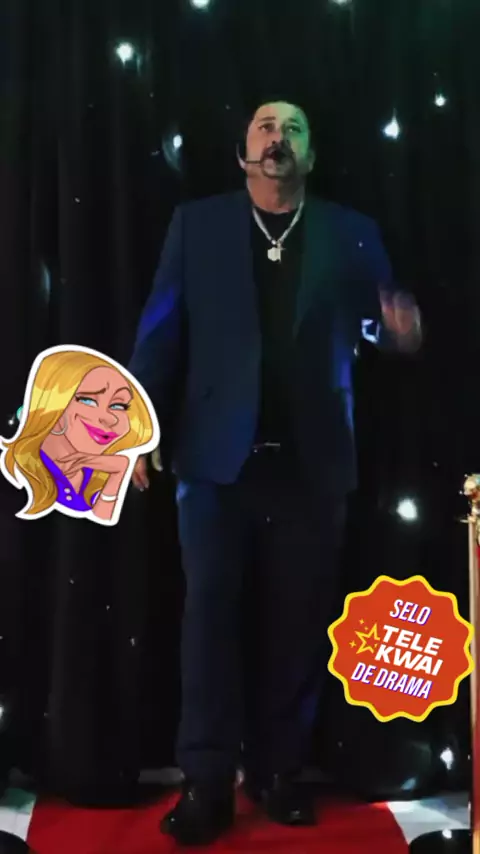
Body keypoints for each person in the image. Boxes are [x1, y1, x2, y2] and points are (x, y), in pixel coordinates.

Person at [128, 98, 422, 845]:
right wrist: (135, 430)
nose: (277, 137)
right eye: (265, 126)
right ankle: (206, 782)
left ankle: (280, 772)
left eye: (293, 128)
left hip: (312, 466)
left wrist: (398, 332)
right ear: (243, 153)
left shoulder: (352, 232)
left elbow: (380, 325)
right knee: (208, 626)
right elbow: (160, 332)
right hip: (213, 465)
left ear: (310, 156)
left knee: (297, 625)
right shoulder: (196, 226)